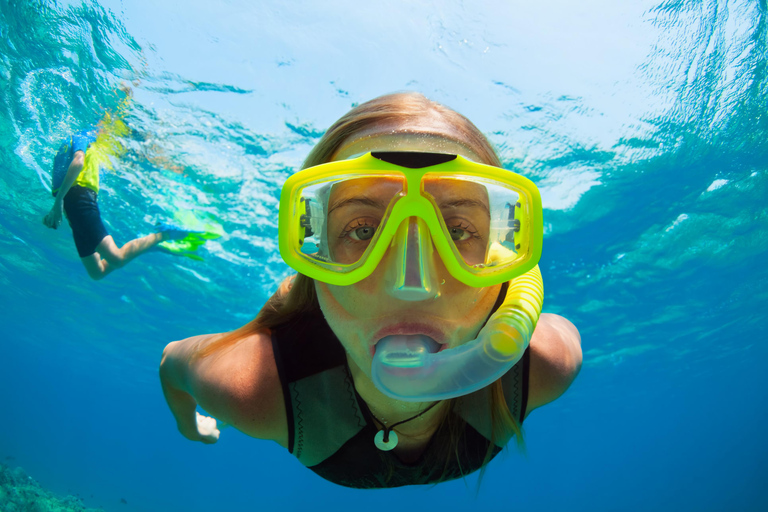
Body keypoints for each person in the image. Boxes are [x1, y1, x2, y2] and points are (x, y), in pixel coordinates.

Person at [159, 92, 582, 489]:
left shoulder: (545, 363)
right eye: (362, 230)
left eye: (456, 232)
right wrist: (188, 425)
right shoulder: (251, 386)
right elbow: (171, 361)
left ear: (498, 258)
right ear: (316, 249)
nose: (410, 286)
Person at [43, 84, 197, 280]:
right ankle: (152, 246)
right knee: (97, 272)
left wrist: (57, 205)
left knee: (116, 259)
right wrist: (57, 208)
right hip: (73, 208)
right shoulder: (69, 143)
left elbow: (79, 161)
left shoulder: (82, 136)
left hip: (81, 200)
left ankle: (164, 235)